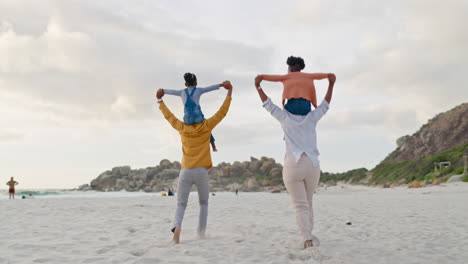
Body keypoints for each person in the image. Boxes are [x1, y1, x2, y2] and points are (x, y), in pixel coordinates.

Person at [254, 72, 336, 249]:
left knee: (300, 205)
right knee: (308, 202)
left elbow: (268, 104)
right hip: (312, 165)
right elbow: (325, 104)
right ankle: (309, 234)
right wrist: (331, 84)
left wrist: (258, 86)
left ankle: (306, 238)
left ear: (288, 104)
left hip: (294, 164)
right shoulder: (312, 117)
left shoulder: (284, 117)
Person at [156, 80, 233, 244]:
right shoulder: (206, 126)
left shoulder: (182, 128)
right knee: (204, 203)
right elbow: (222, 112)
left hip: (185, 171)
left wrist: (160, 101)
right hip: (201, 171)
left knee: (181, 204)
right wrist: (229, 93)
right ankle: (201, 233)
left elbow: (169, 117)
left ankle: (177, 227)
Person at [162, 73, 231, 152]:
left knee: (184, 132)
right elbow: (210, 88)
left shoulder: (181, 92)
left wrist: (163, 91)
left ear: (185, 84)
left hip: (188, 120)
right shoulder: (199, 90)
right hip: (199, 118)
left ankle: (188, 147)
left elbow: (172, 91)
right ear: (196, 83)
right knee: (208, 127)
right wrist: (222, 84)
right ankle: (214, 147)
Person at [256, 56, 333, 115]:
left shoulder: (287, 77)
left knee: (286, 114)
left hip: (291, 108)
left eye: (288, 68)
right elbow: (318, 75)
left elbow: (274, 78)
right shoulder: (308, 76)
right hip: (305, 108)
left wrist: (262, 77)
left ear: (291, 68)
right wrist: (328, 75)